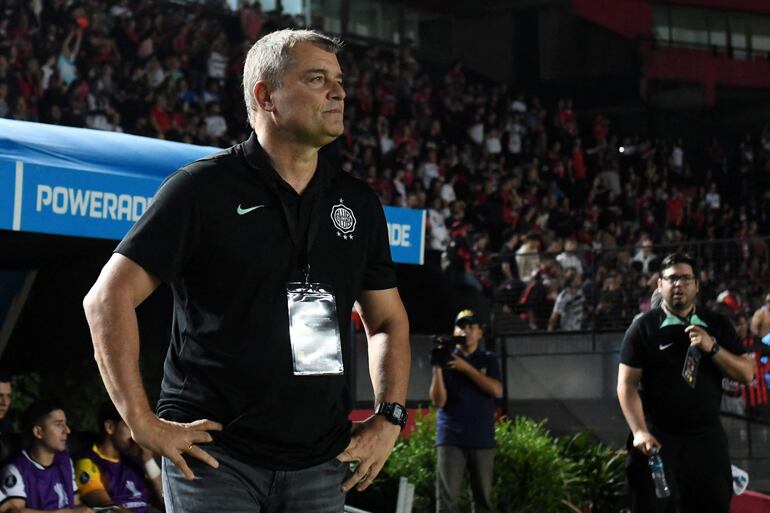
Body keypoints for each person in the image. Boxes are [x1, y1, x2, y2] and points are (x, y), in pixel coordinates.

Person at [83, 29, 410, 512]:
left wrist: (389, 417)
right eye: (317, 78)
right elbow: (107, 299)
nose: (338, 92)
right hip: (214, 459)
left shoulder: (357, 203)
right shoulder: (200, 189)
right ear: (265, 95)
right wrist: (140, 420)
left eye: (338, 80)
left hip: (319, 460)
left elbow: (387, 320)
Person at [617, 253, 755, 513]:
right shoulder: (643, 328)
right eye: (671, 279)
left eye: (685, 278)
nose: (678, 284)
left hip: (706, 438)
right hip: (658, 438)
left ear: (697, 285)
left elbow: (747, 373)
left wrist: (712, 347)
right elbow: (626, 384)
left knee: (712, 504)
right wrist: (639, 431)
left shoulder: (717, 325)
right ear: (660, 285)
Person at [429, 310, 502, 513]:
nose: (466, 331)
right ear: (454, 331)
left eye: (471, 327)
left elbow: (496, 389)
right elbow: (438, 401)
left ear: (480, 332)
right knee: (446, 502)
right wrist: (437, 367)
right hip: (450, 437)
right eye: (461, 326)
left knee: (482, 502)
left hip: (481, 439)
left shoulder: (488, 359)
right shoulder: (446, 359)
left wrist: (465, 368)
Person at [0, 401, 93, 512]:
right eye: (59, 424)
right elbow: (15, 511)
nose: (67, 430)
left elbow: (76, 503)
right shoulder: (17, 469)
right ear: (38, 432)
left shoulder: (64, 461)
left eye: (66, 424)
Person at [74, 402, 163, 512]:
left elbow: (166, 500)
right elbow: (107, 506)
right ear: (110, 427)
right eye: (128, 426)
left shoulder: (134, 462)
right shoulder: (89, 462)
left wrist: (149, 461)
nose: (134, 434)